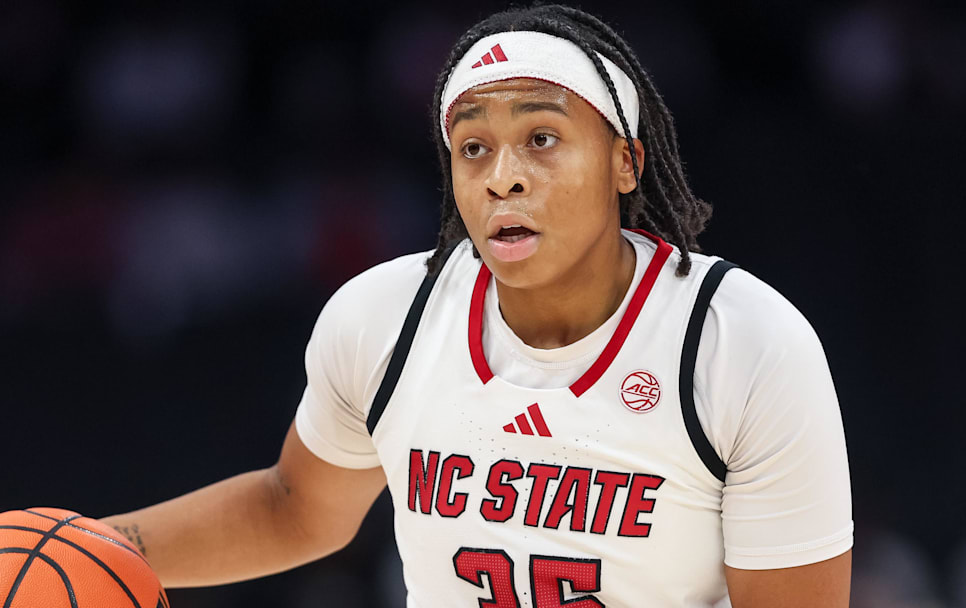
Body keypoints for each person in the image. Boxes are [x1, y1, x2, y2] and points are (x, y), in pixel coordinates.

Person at [102, 5, 853, 607]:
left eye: (542, 137)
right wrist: (88, 547)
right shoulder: (384, 317)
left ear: (626, 162)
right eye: (473, 148)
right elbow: (294, 507)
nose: (504, 178)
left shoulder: (741, 343)